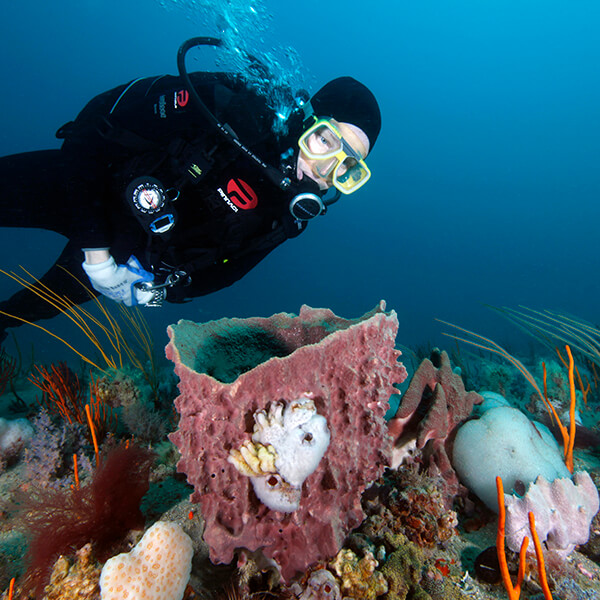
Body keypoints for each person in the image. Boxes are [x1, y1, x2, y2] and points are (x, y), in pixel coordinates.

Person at [0, 38, 381, 342]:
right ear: (306, 120)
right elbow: (89, 138)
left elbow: (222, 275)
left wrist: (151, 292)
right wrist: (95, 250)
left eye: (348, 165)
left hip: (125, 254)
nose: (325, 167)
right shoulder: (232, 106)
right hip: (85, 183)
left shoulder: (288, 216)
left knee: (14, 314)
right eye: (325, 140)